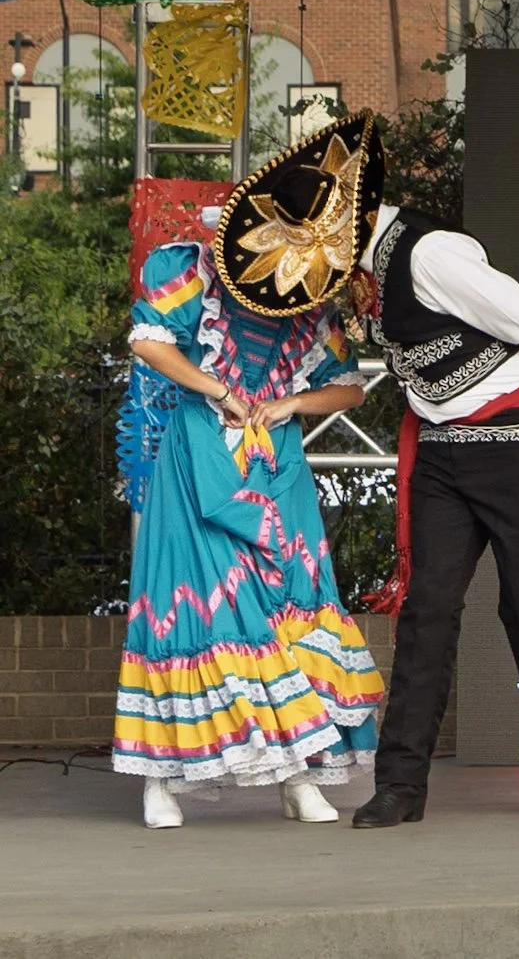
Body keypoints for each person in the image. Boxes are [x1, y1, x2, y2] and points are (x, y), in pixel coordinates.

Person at [115, 113, 388, 828]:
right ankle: (159, 779)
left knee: (287, 610)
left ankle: (296, 773)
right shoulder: (185, 269)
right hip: (196, 460)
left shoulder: (310, 304)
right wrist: (220, 390)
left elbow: (350, 386)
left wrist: (293, 397)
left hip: (277, 465)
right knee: (194, 610)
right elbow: (148, 342)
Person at [348, 192, 519, 826]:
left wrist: (503, 388)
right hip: (441, 448)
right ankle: (400, 787)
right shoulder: (367, 270)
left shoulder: (428, 253)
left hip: (516, 438)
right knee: (427, 612)